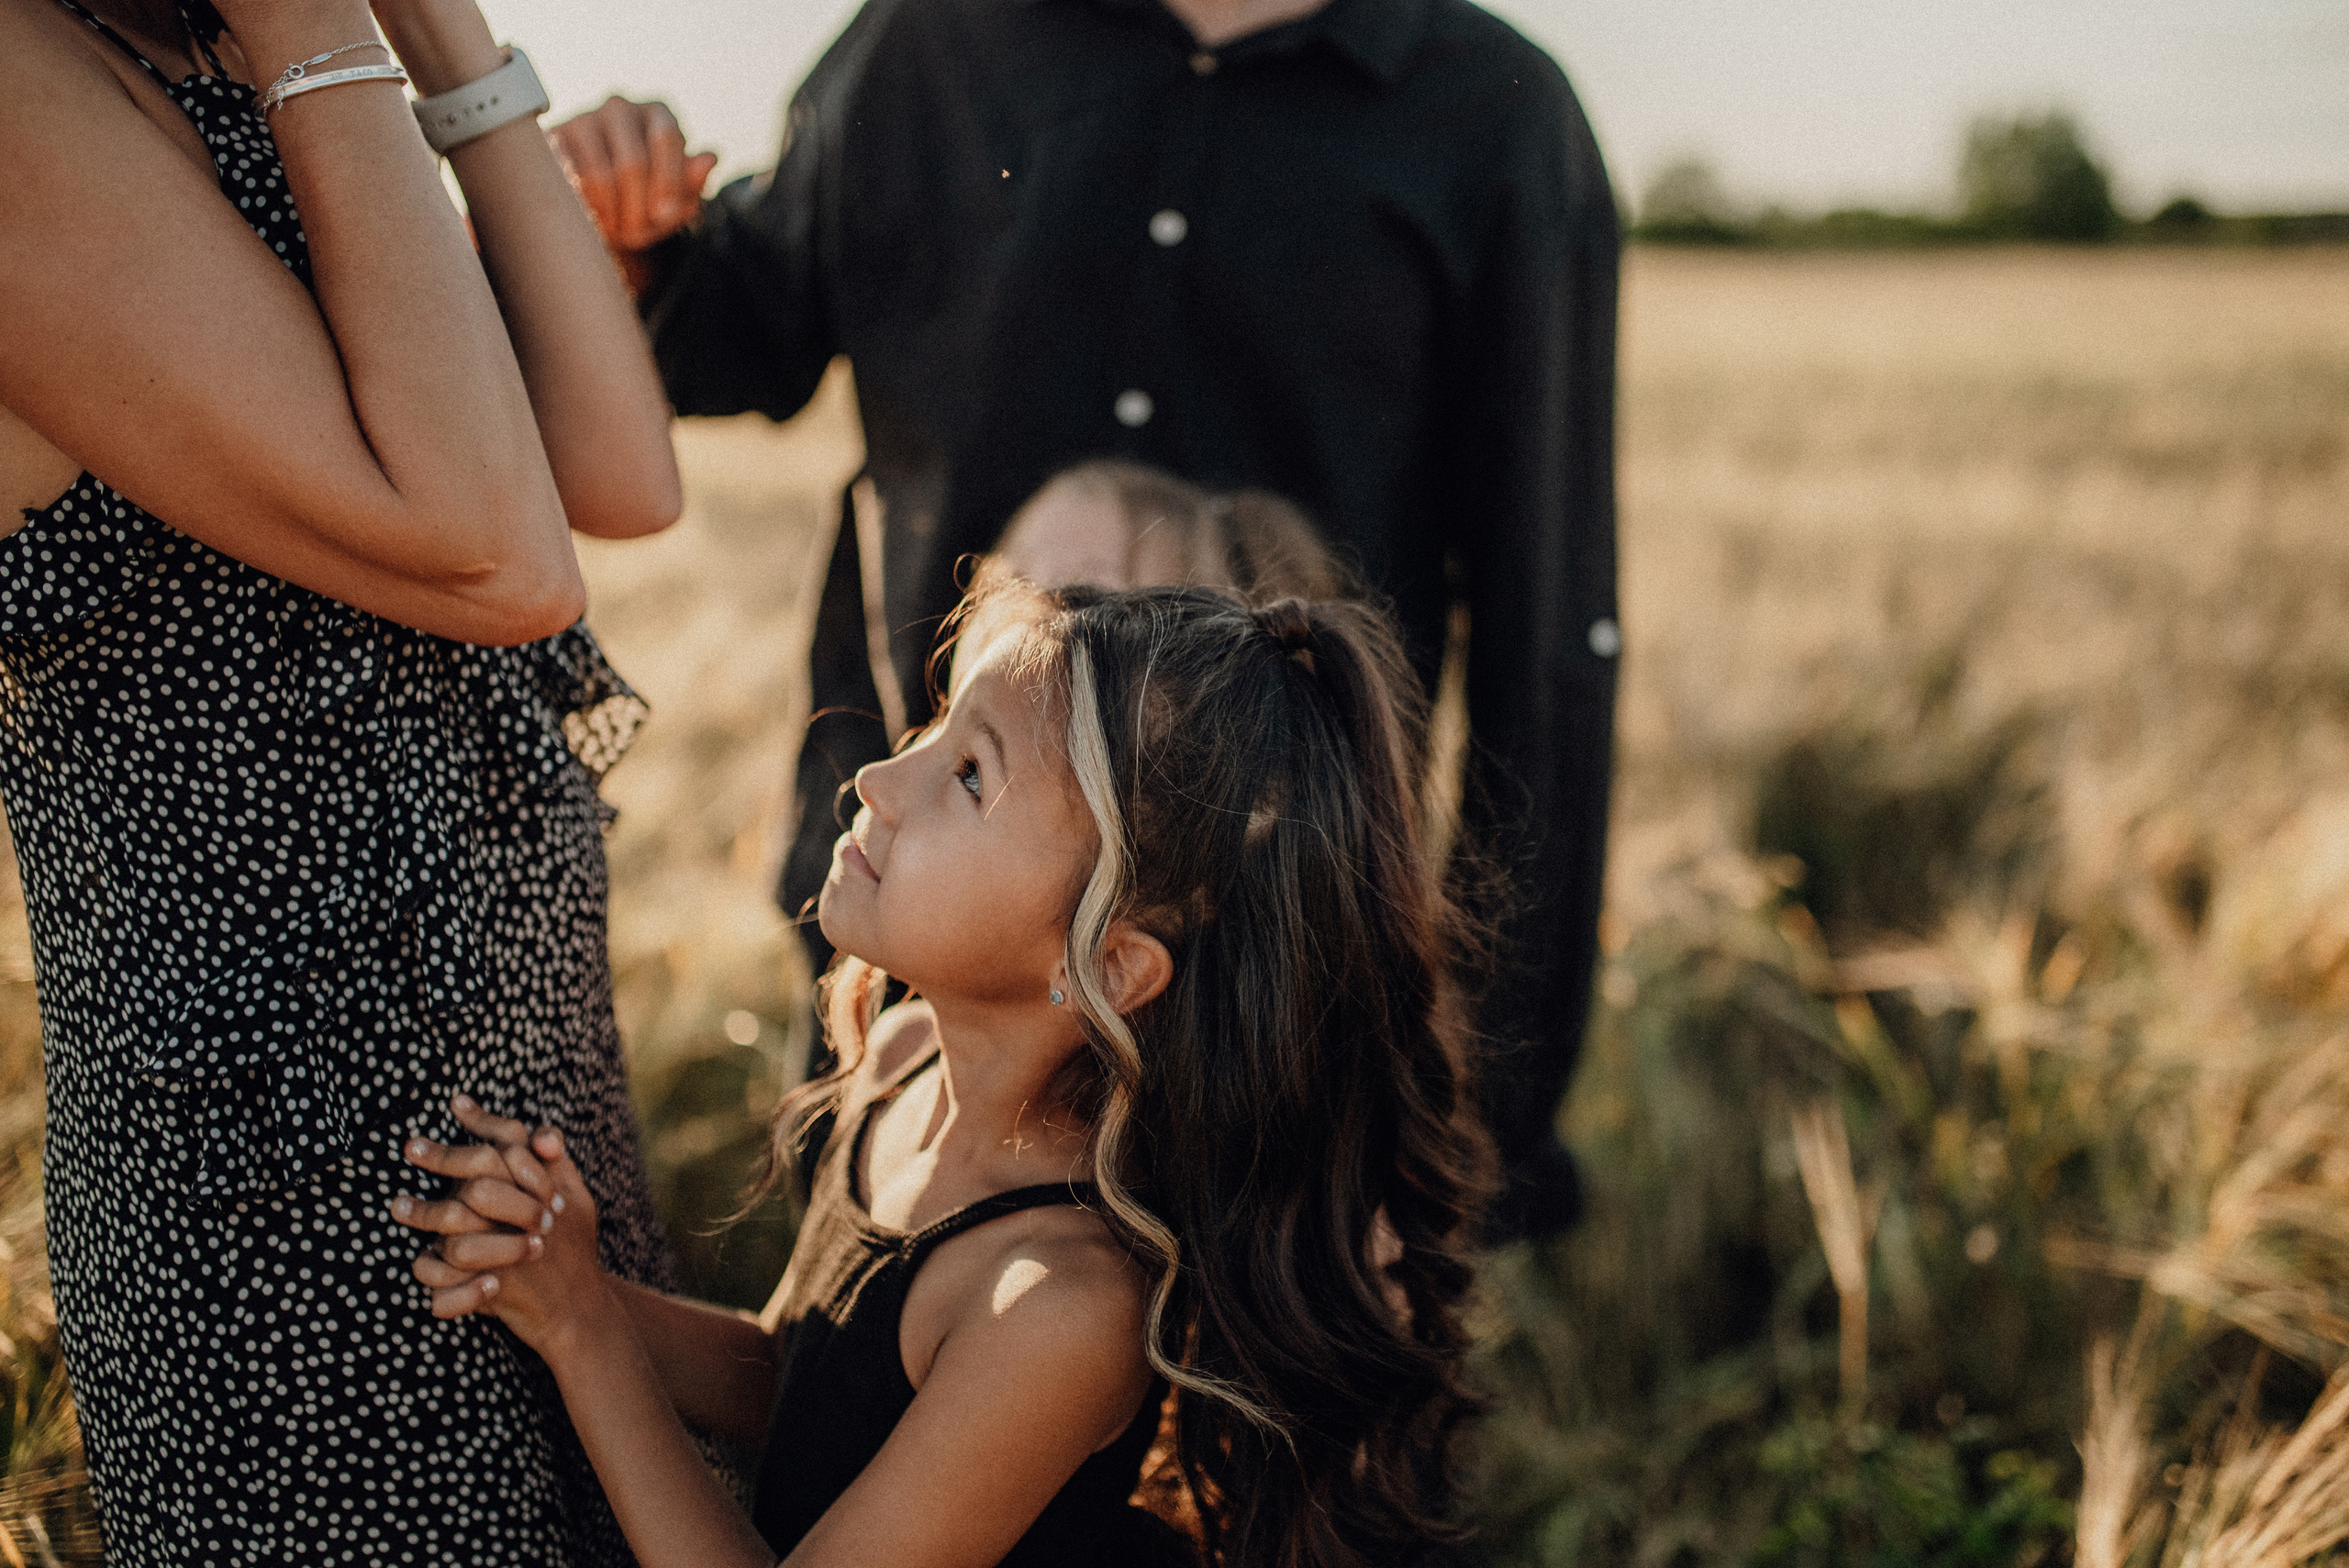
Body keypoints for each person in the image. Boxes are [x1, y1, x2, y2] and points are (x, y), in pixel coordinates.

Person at [551, 0, 1620, 1237]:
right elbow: (738, 322)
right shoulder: (931, 41)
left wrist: (1482, 1100)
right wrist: (628, 244)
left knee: (1244, 1398)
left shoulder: (1496, 116)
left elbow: (1548, 638)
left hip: (1259, 971)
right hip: (919, 893)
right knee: (857, 1362)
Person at [391, 580, 1494, 1566]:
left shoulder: (1059, 1304)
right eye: (935, 725)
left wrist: (584, 1330)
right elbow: (801, 1378)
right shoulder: (904, 1057)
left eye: (969, 774)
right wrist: (555, 1268)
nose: (877, 774)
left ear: (1106, 959)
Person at [1, 0, 684, 1556]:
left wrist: (442, 36)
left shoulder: (240, 40)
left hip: (531, 1094)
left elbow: (619, 470)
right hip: (296, 1200)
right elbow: (502, 553)